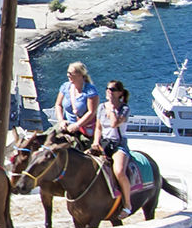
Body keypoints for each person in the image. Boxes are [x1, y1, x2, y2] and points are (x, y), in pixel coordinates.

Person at [93, 80, 133, 214]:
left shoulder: (124, 109)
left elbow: (114, 123)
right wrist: (95, 142)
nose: (109, 91)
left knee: (119, 171)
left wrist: (112, 110)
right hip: (104, 143)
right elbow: (98, 127)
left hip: (117, 145)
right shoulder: (101, 107)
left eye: (113, 89)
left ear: (120, 93)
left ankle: (127, 204)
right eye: (107, 88)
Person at [53, 61, 100, 140]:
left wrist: (77, 125)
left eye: (71, 73)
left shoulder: (90, 91)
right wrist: (61, 121)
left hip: (82, 127)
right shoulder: (65, 87)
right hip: (66, 125)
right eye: (68, 72)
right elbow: (58, 105)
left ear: (80, 75)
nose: (68, 75)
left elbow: (91, 112)